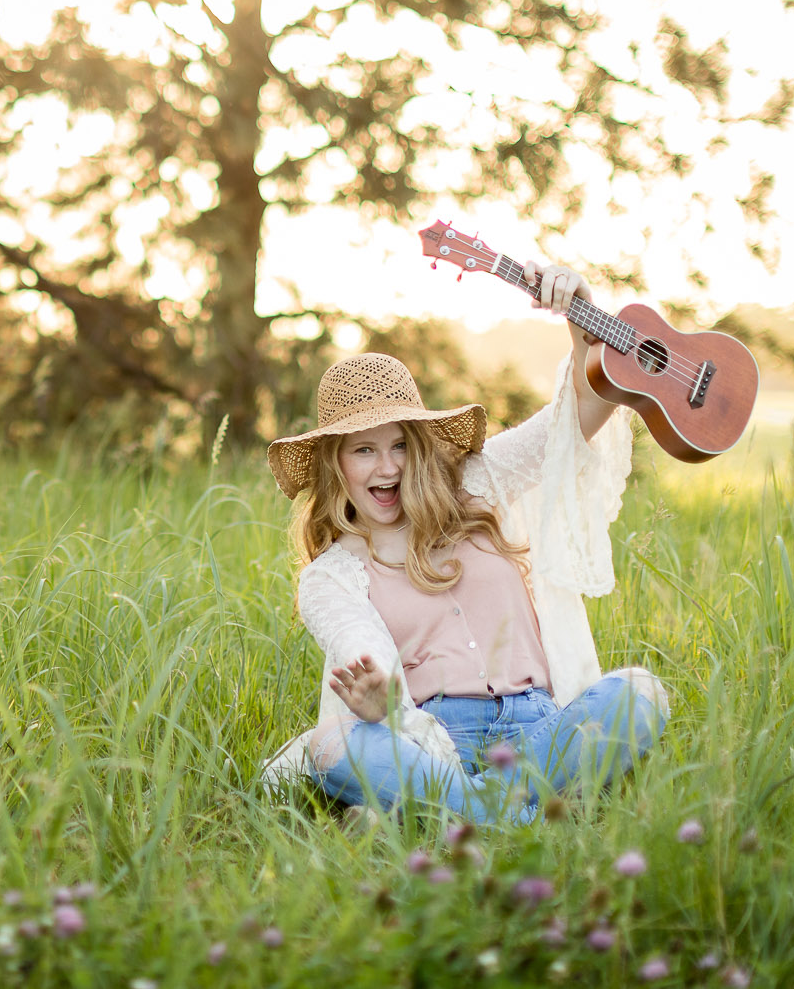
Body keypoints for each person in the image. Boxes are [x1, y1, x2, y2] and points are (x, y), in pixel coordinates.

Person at [257, 263, 669, 824]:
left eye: (399, 445)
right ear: (336, 465)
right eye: (364, 451)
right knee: (332, 746)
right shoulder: (331, 576)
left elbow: (572, 423)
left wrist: (583, 323)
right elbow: (358, 643)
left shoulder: (477, 485)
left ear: (420, 447)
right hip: (434, 741)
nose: (388, 468)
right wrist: (377, 695)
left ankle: (456, 815)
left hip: (540, 727)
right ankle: (517, 811)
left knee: (638, 693)